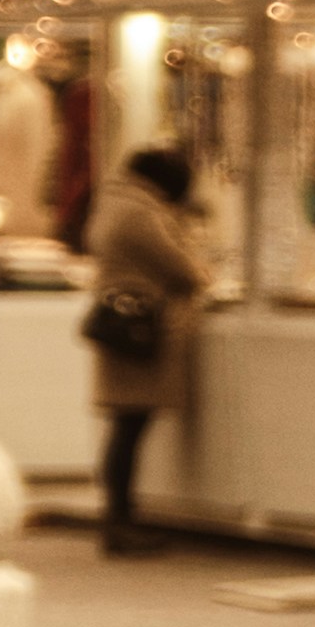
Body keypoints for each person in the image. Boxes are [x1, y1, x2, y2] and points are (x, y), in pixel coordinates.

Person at [84, 145, 209, 552]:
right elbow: (183, 270)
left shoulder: (114, 202)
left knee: (125, 428)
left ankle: (118, 519)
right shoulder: (139, 212)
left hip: (123, 324)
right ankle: (120, 523)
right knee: (129, 429)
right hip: (141, 330)